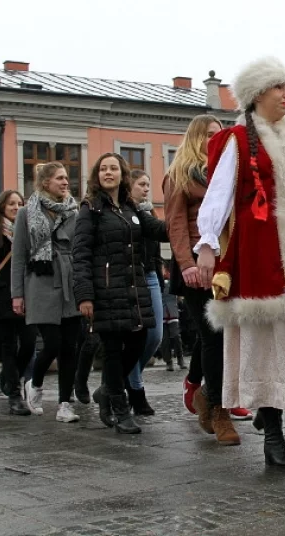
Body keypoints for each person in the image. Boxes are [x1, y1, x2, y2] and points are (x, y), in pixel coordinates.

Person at [195, 57, 285, 467]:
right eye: (279, 88)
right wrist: (206, 243)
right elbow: (218, 193)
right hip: (259, 253)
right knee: (267, 340)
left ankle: (276, 414)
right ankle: (273, 434)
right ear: (258, 95)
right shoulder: (237, 140)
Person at [165, 114, 248, 444]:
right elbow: (174, 224)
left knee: (223, 335)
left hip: (229, 263)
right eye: (210, 134)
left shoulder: (224, 172)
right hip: (199, 267)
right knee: (215, 336)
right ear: (197, 138)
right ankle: (219, 408)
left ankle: (203, 391)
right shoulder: (180, 175)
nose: (217, 139)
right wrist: (187, 264)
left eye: (220, 134)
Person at [73, 153, 169, 435]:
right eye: (103, 168)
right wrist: (84, 295)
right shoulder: (90, 209)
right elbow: (80, 254)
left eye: (113, 168)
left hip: (133, 287)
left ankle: (106, 390)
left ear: (122, 174)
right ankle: (120, 407)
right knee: (113, 349)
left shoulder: (131, 207)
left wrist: (182, 220)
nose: (108, 172)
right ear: (97, 175)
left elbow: (157, 230)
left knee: (140, 342)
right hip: (104, 290)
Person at [12, 163, 81, 423]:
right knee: (53, 343)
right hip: (39, 283)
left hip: (70, 282)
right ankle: (35, 383)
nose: (66, 182)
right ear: (45, 182)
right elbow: (18, 257)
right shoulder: (25, 214)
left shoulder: (75, 212)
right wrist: (17, 294)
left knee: (70, 348)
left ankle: (65, 404)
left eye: (67, 178)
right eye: (60, 178)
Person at [0, 189, 35, 416]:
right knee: (8, 346)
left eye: (19, 203)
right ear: (2, 206)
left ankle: (7, 376)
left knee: (30, 344)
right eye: (11, 203)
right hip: (2, 296)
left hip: (28, 295)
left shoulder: (28, 230)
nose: (16, 207)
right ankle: (14, 395)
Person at [124, 168, 167, 416]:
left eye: (148, 184)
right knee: (137, 337)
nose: (146, 188)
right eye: (141, 184)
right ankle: (136, 392)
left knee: (155, 337)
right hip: (132, 277)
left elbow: (157, 247)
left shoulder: (149, 211)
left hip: (151, 275)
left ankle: (119, 380)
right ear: (130, 186)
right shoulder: (126, 212)